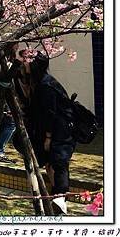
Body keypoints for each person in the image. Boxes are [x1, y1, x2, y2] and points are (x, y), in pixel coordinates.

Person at [26, 51, 76, 214]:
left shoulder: (46, 85)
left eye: (28, 61)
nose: (25, 63)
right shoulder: (41, 81)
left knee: (58, 164)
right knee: (50, 163)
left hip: (59, 132)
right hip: (56, 130)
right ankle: (56, 198)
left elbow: (50, 113)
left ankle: (60, 202)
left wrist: (48, 137)